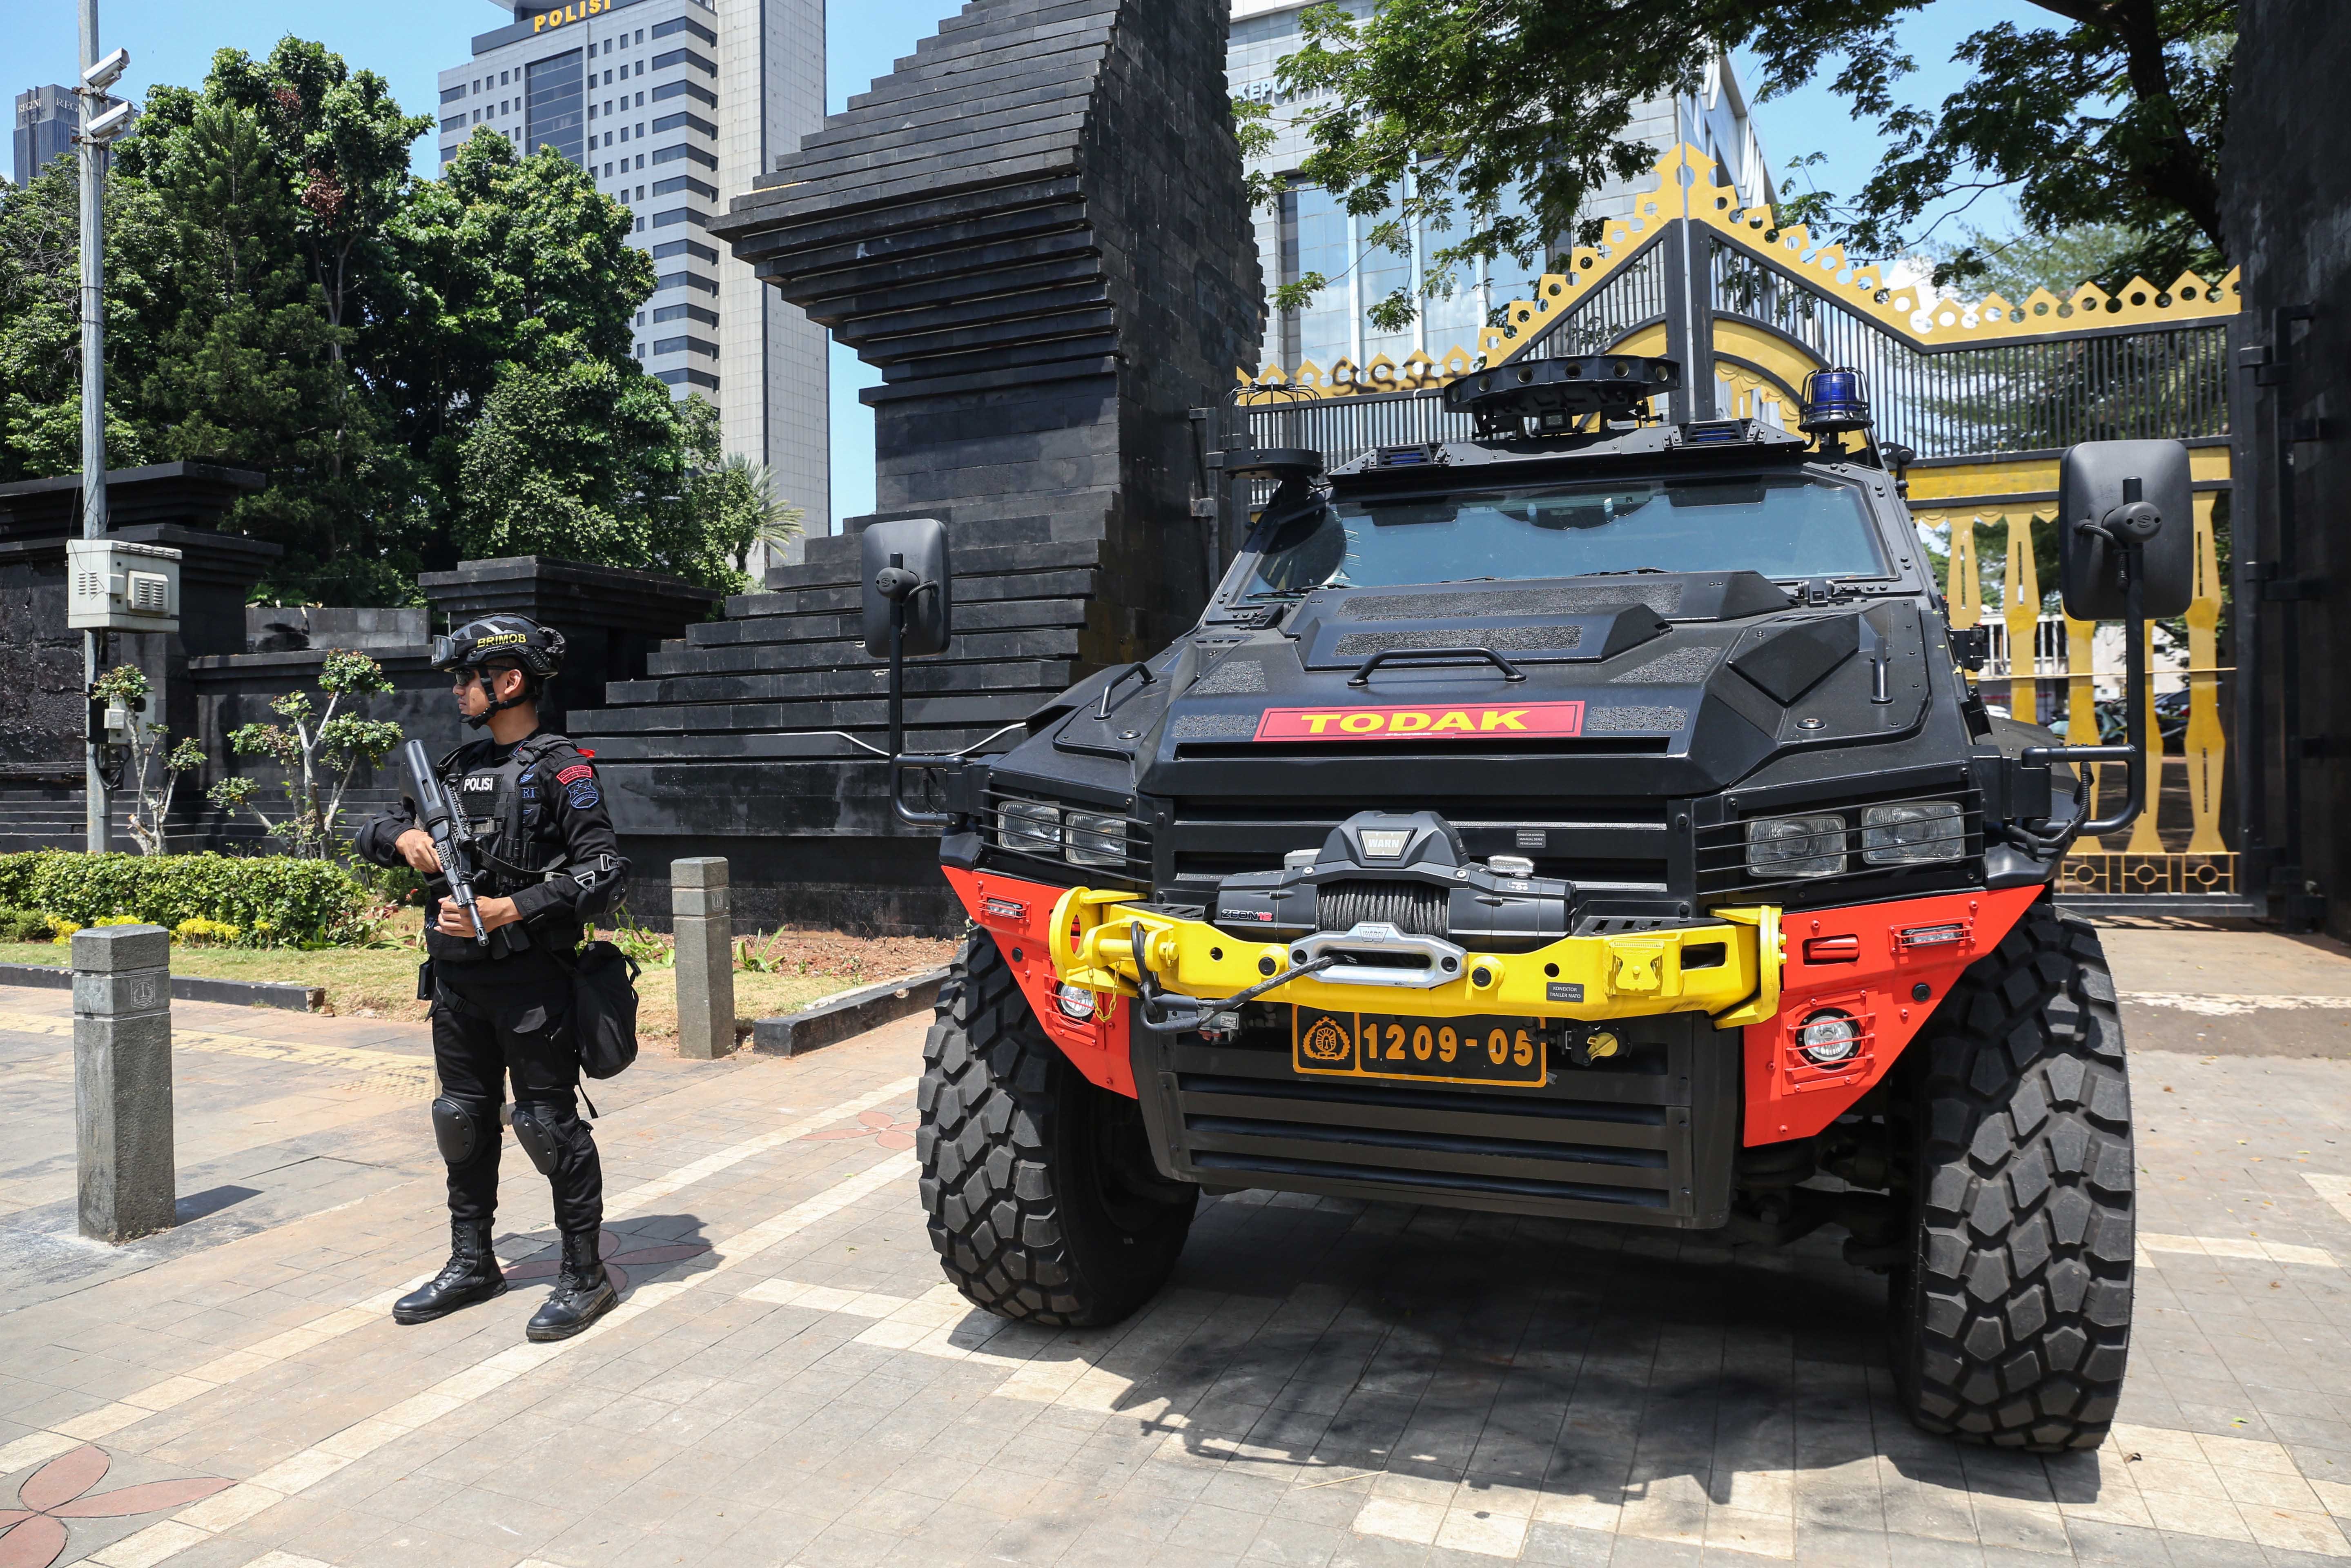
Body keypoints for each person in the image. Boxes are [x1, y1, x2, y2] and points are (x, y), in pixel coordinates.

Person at [355, 615, 631, 1341]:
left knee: (546, 1125)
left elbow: (605, 870)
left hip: (533, 983)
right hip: (457, 985)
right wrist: (402, 837)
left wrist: (514, 907)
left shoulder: (563, 770)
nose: (457, 691)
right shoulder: (452, 769)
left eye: (466, 679)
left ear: (509, 682)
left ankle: (584, 1275)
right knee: (462, 1122)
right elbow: (368, 828)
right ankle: (472, 1263)